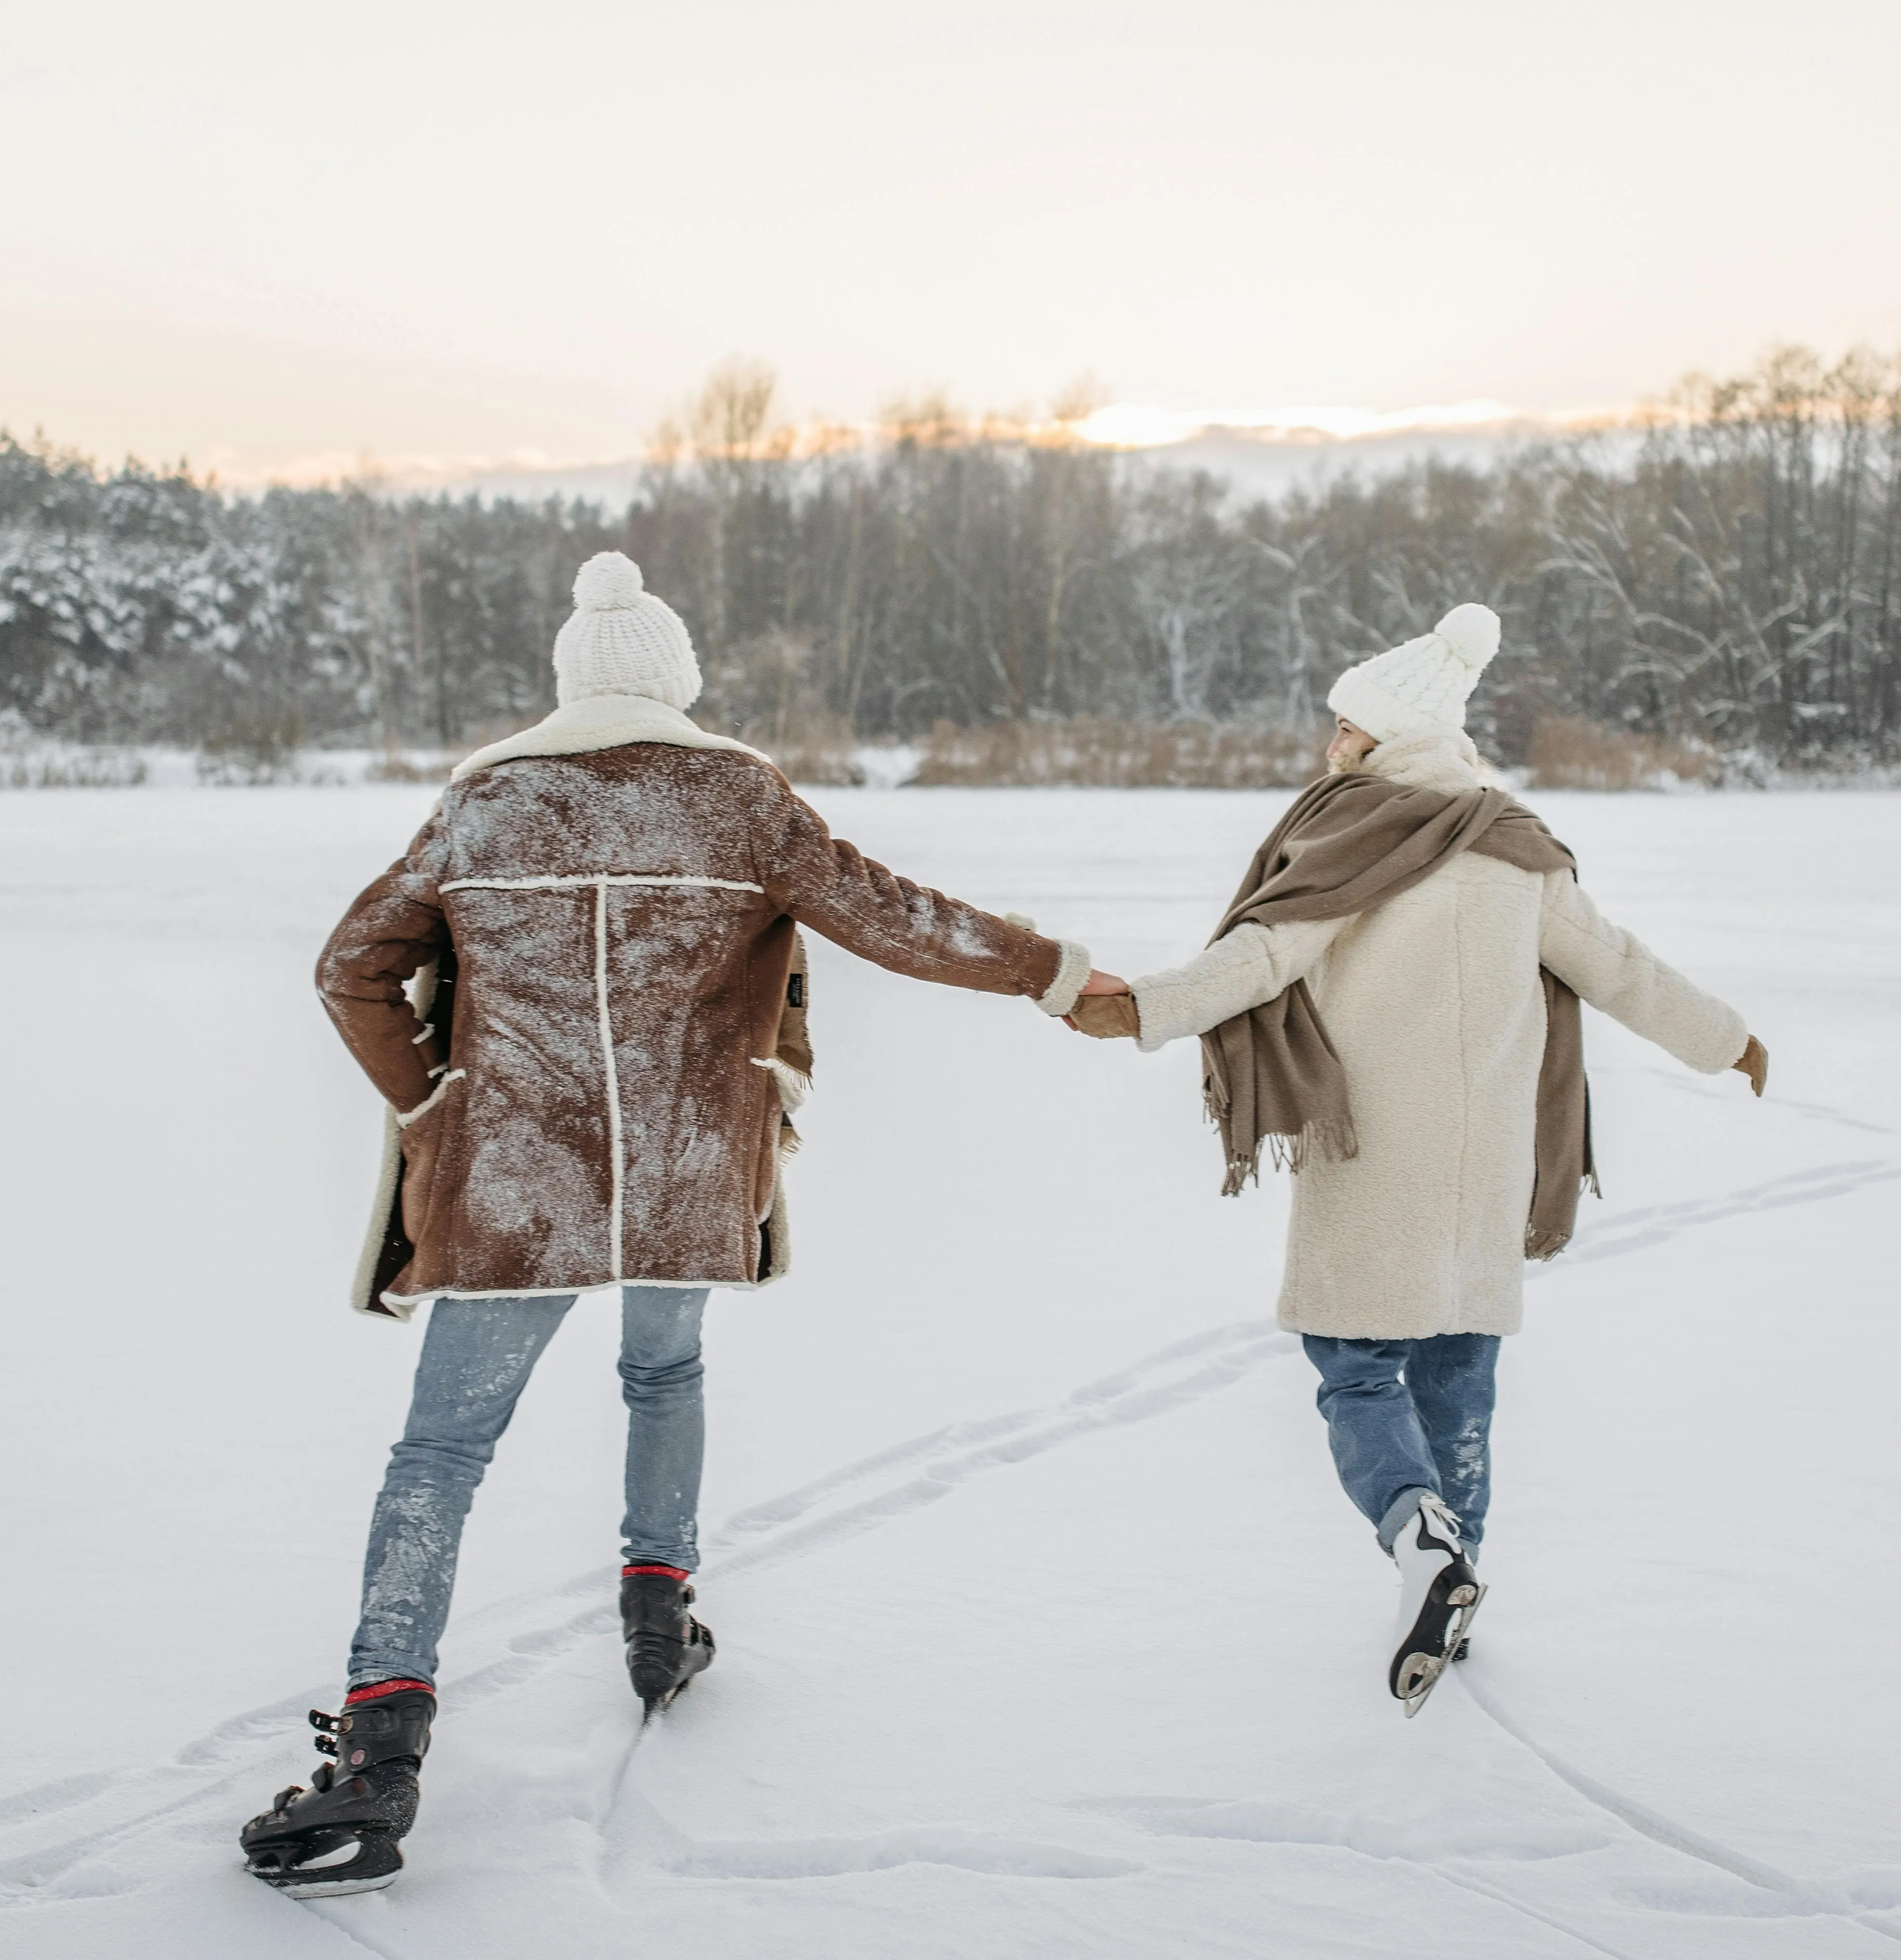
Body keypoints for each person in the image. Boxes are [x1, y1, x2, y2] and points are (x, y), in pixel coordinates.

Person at [241, 551, 1123, 1895]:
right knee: (662, 1370)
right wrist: (1056, 972)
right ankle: (660, 1607)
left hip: (514, 1181)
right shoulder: (738, 797)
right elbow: (896, 918)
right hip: (683, 1168)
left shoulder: (487, 799)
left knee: (439, 1450)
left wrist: (439, 1099)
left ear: (569, 682)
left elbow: (348, 965)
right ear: (676, 683)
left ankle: (376, 1746)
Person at [1068, 603, 1767, 1715]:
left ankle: (1415, 1533)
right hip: (1487, 1165)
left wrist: (1143, 1005)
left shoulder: (1352, 837)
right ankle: (1454, 1586)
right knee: (1458, 1385)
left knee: (1353, 1366)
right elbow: (1616, 965)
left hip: (1372, 1154)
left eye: (1340, 720)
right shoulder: (1515, 849)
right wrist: (1725, 1037)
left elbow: (1259, 956)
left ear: (1376, 734)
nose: (1328, 737)